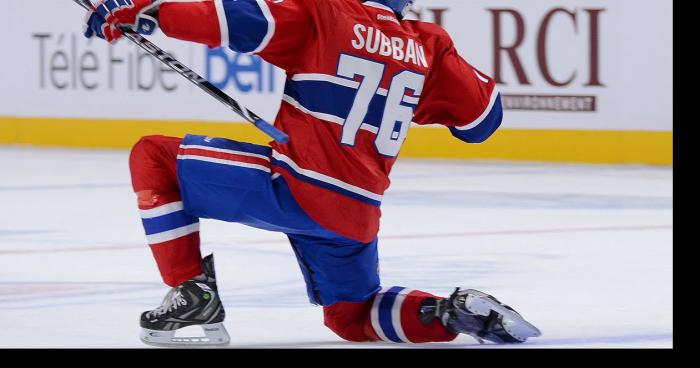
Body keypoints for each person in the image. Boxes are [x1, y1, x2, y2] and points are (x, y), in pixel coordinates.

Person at [84, 0, 541, 347]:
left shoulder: (327, 14)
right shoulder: (428, 47)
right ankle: (450, 315)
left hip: (295, 187)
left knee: (154, 157)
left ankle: (191, 291)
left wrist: (151, 11)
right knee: (353, 318)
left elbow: (235, 18)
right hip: (356, 215)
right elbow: (482, 123)